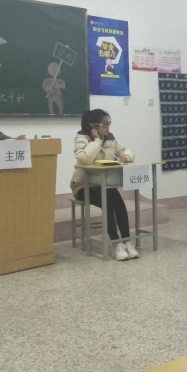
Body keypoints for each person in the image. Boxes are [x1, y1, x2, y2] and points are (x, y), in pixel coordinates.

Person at [71, 109, 137, 261]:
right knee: (107, 202)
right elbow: (85, 158)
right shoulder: (82, 138)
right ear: (93, 126)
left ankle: (126, 241)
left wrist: (125, 156)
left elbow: (127, 151)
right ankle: (116, 244)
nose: (108, 127)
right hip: (83, 185)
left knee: (119, 203)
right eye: (104, 124)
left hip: (104, 185)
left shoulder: (110, 139)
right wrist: (96, 142)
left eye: (109, 123)